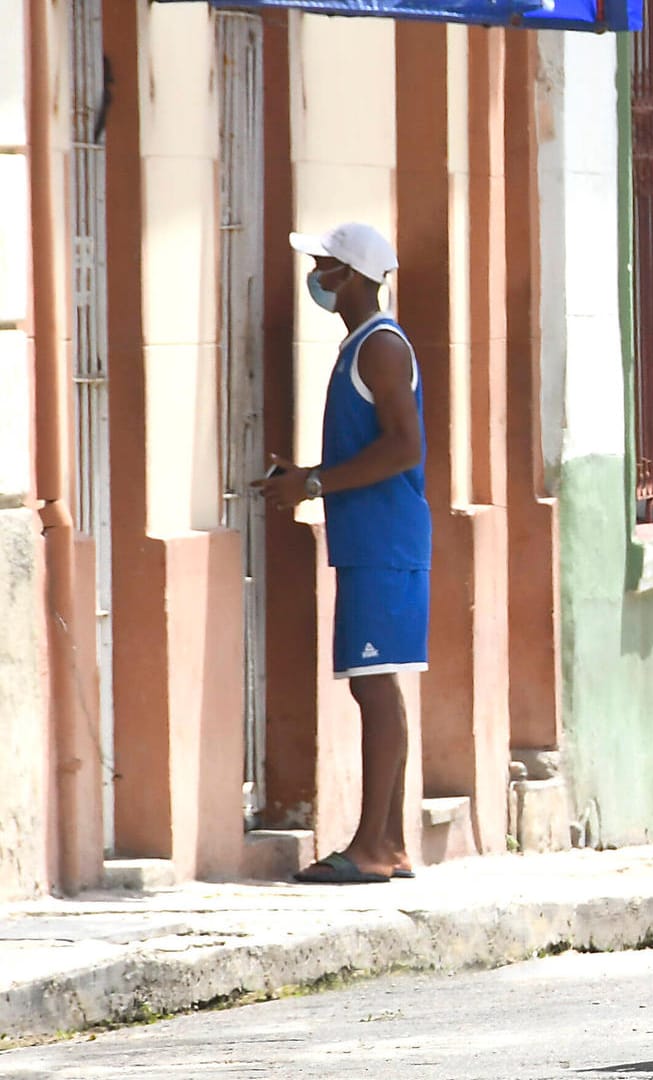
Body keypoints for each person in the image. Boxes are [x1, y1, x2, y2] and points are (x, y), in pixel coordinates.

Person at [257, 222, 431, 885]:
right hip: (373, 539)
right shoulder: (365, 346)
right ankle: (389, 842)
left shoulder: (380, 348)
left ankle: (371, 847)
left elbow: (403, 447)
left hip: (383, 540)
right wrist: (305, 475)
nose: (317, 279)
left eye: (326, 267)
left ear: (351, 277)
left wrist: (316, 482)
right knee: (378, 684)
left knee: (373, 685)